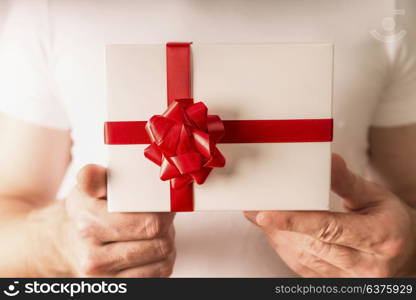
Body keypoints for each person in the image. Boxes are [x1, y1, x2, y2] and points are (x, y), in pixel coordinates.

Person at [0, 0, 415, 277]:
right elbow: (10, 201)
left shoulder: (390, 11)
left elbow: (410, 196)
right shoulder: (49, 8)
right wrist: (54, 241)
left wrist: (405, 250)